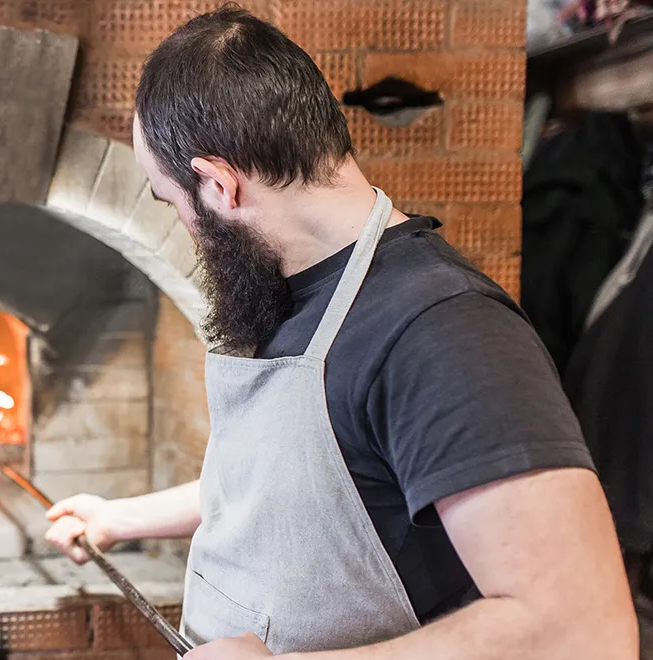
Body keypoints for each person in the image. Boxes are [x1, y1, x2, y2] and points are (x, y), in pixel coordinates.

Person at [44, 5, 639, 658]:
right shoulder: (296, 292)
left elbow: (582, 629)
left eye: (169, 200)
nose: (183, 228)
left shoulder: (445, 331)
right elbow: (299, 482)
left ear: (219, 185)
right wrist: (122, 518)